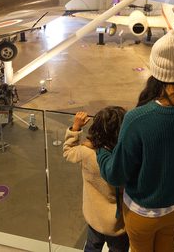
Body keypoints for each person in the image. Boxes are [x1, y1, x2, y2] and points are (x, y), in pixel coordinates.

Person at [97, 30, 174, 252]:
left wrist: (101, 151)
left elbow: (115, 174)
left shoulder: (138, 118)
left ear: (155, 70)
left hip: (144, 213)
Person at [63, 108, 129, 252]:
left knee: (92, 247)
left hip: (94, 216)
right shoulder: (124, 157)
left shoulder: (86, 152)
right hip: (118, 223)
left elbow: (68, 151)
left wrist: (76, 128)